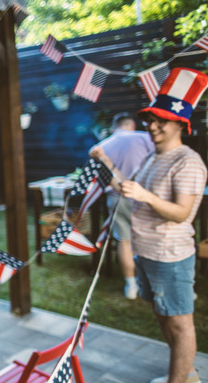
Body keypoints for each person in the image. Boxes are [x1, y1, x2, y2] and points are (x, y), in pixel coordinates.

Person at [92, 68, 207, 383]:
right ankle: (188, 376)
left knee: (180, 324)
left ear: (180, 123)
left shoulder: (188, 162)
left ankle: (178, 381)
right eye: (150, 120)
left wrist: (147, 196)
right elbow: (128, 188)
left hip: (170, 256)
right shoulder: (152, 158)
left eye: (161, 121)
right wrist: (105, 162)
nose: (152, 126)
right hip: (147, 252)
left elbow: (183, 213)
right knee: (163, 318)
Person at [89, 112, 154, 299]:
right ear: (132, 125)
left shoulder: (102, 146)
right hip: (146, 196)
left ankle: (131, 285)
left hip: (118, 197)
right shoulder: (146, 137)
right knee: (149, 240)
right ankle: (148, 282)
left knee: (124, 241)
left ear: (113, 127)